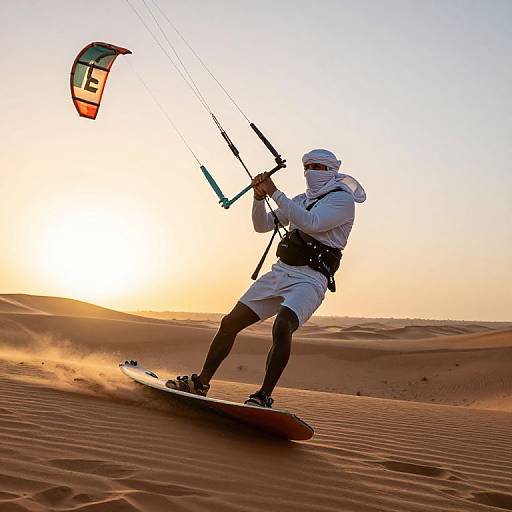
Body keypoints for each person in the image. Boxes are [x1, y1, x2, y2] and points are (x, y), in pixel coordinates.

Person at [166, 148, 366, 407]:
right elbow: (262, 225)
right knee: (230, 323)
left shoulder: (342, 201)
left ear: (332, 171)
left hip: (311, 279)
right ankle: (201, 382)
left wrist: (274, 192)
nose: (310, 173)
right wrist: (258, 197)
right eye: (307, 167)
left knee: (282, 326)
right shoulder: (300, 200)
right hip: (281, 271)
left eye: (318, 168)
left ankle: (263, 396)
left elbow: (312, 223)